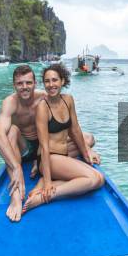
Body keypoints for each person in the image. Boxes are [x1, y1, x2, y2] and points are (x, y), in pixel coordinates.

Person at [0, 65, 100, 222]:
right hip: (24, 148)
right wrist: (17, 168)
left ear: (35, 83)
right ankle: (16, 195)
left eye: (28, 83)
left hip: (46, 148)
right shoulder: (10, 103)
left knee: (89, 138)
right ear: (14, 85)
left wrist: (86, 150)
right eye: (20, 83)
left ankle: (43, 172)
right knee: (12, 131)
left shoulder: (45, 97)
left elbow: (72, 128)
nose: (24, 87)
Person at [22, 64, 105, 214]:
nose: (51, 85)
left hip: (63, 154)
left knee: (99, 179)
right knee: (95, 179)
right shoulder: (42, 107)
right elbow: (44, 146)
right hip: (49, 159)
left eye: (55, 80)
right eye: (47, 81)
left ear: (62, 81)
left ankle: (47, 183)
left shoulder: (68, 100)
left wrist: (87, 153)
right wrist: (47, 181)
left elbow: (75, 129)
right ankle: (45, 196)